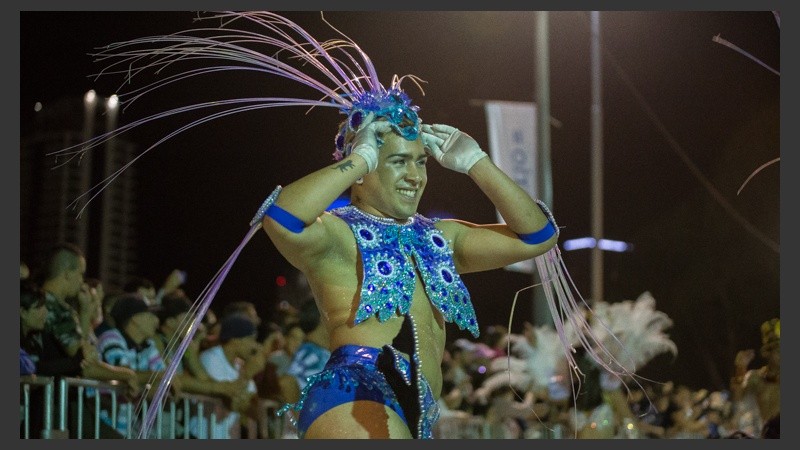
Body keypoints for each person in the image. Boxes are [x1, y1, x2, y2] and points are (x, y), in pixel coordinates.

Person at [61, 12, 626, 439]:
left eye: (420, 163)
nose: (415, 177)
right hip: (357, 388)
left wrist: (475, 161)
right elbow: (278, 216)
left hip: (420, 402)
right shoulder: (336, 232)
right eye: (396, 163)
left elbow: (539, 236)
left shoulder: (444, 236)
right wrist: (356, 159)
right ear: (362, 170)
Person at [730, 317, 780, 438]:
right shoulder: (756, 378)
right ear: (767, 352)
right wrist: (740, 369)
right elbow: (738, 402)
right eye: (778, 350)